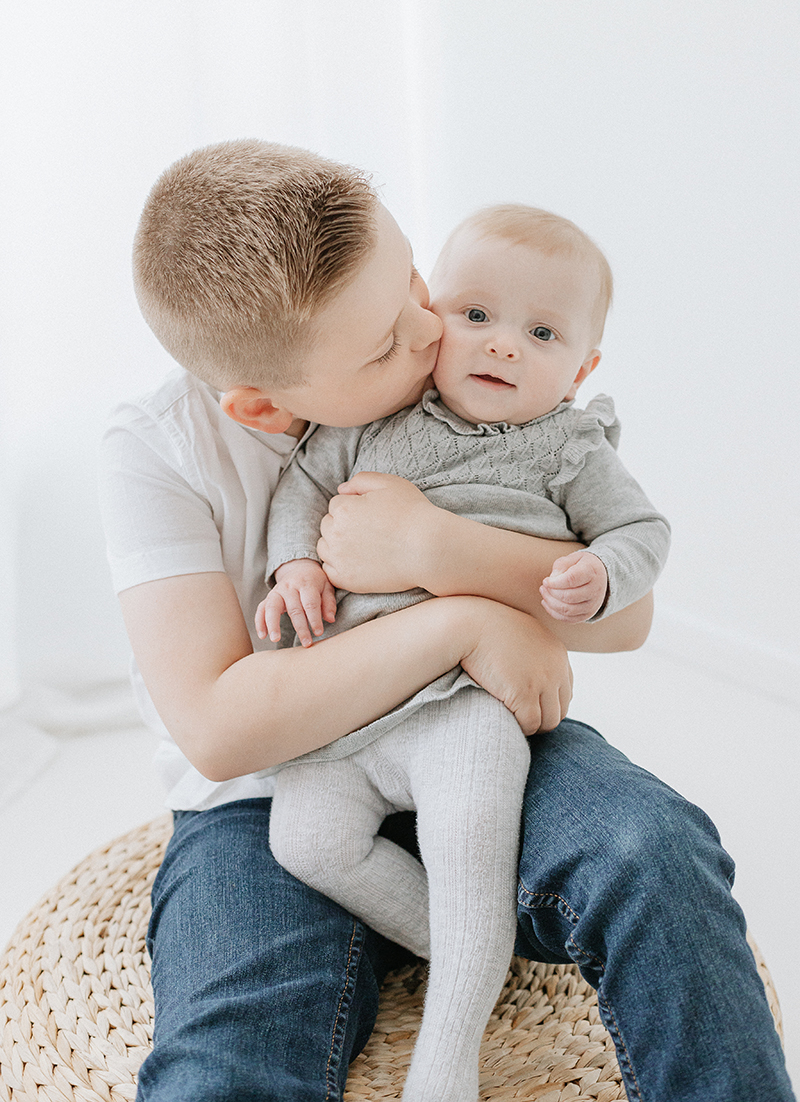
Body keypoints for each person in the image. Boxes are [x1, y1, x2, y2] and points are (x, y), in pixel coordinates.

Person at [99, 139, 794, 1102]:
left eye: (418, 285)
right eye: (388, 342)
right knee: (228, 1049)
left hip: (470, 722)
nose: (435, 334)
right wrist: (462, 623)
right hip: (265, 799)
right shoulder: (155, 454)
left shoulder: (465, 368)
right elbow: (221, 730)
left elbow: (624, 618)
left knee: (653, 851)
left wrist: (439, 553)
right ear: (260, 402)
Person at [256, 203, 671, 1100]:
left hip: (463, 704)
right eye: (476, 315)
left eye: (542, 331)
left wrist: (602, 573)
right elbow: (304, 483)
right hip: (354, 701)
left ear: (582, 367)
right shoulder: (384, 413)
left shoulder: (568, 445)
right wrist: (293, 559)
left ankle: (446, 1064)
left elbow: (643, 530)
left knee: (469, 849)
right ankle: (464, 948)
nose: (502, 345)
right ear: (433, 316)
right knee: (305, 839)